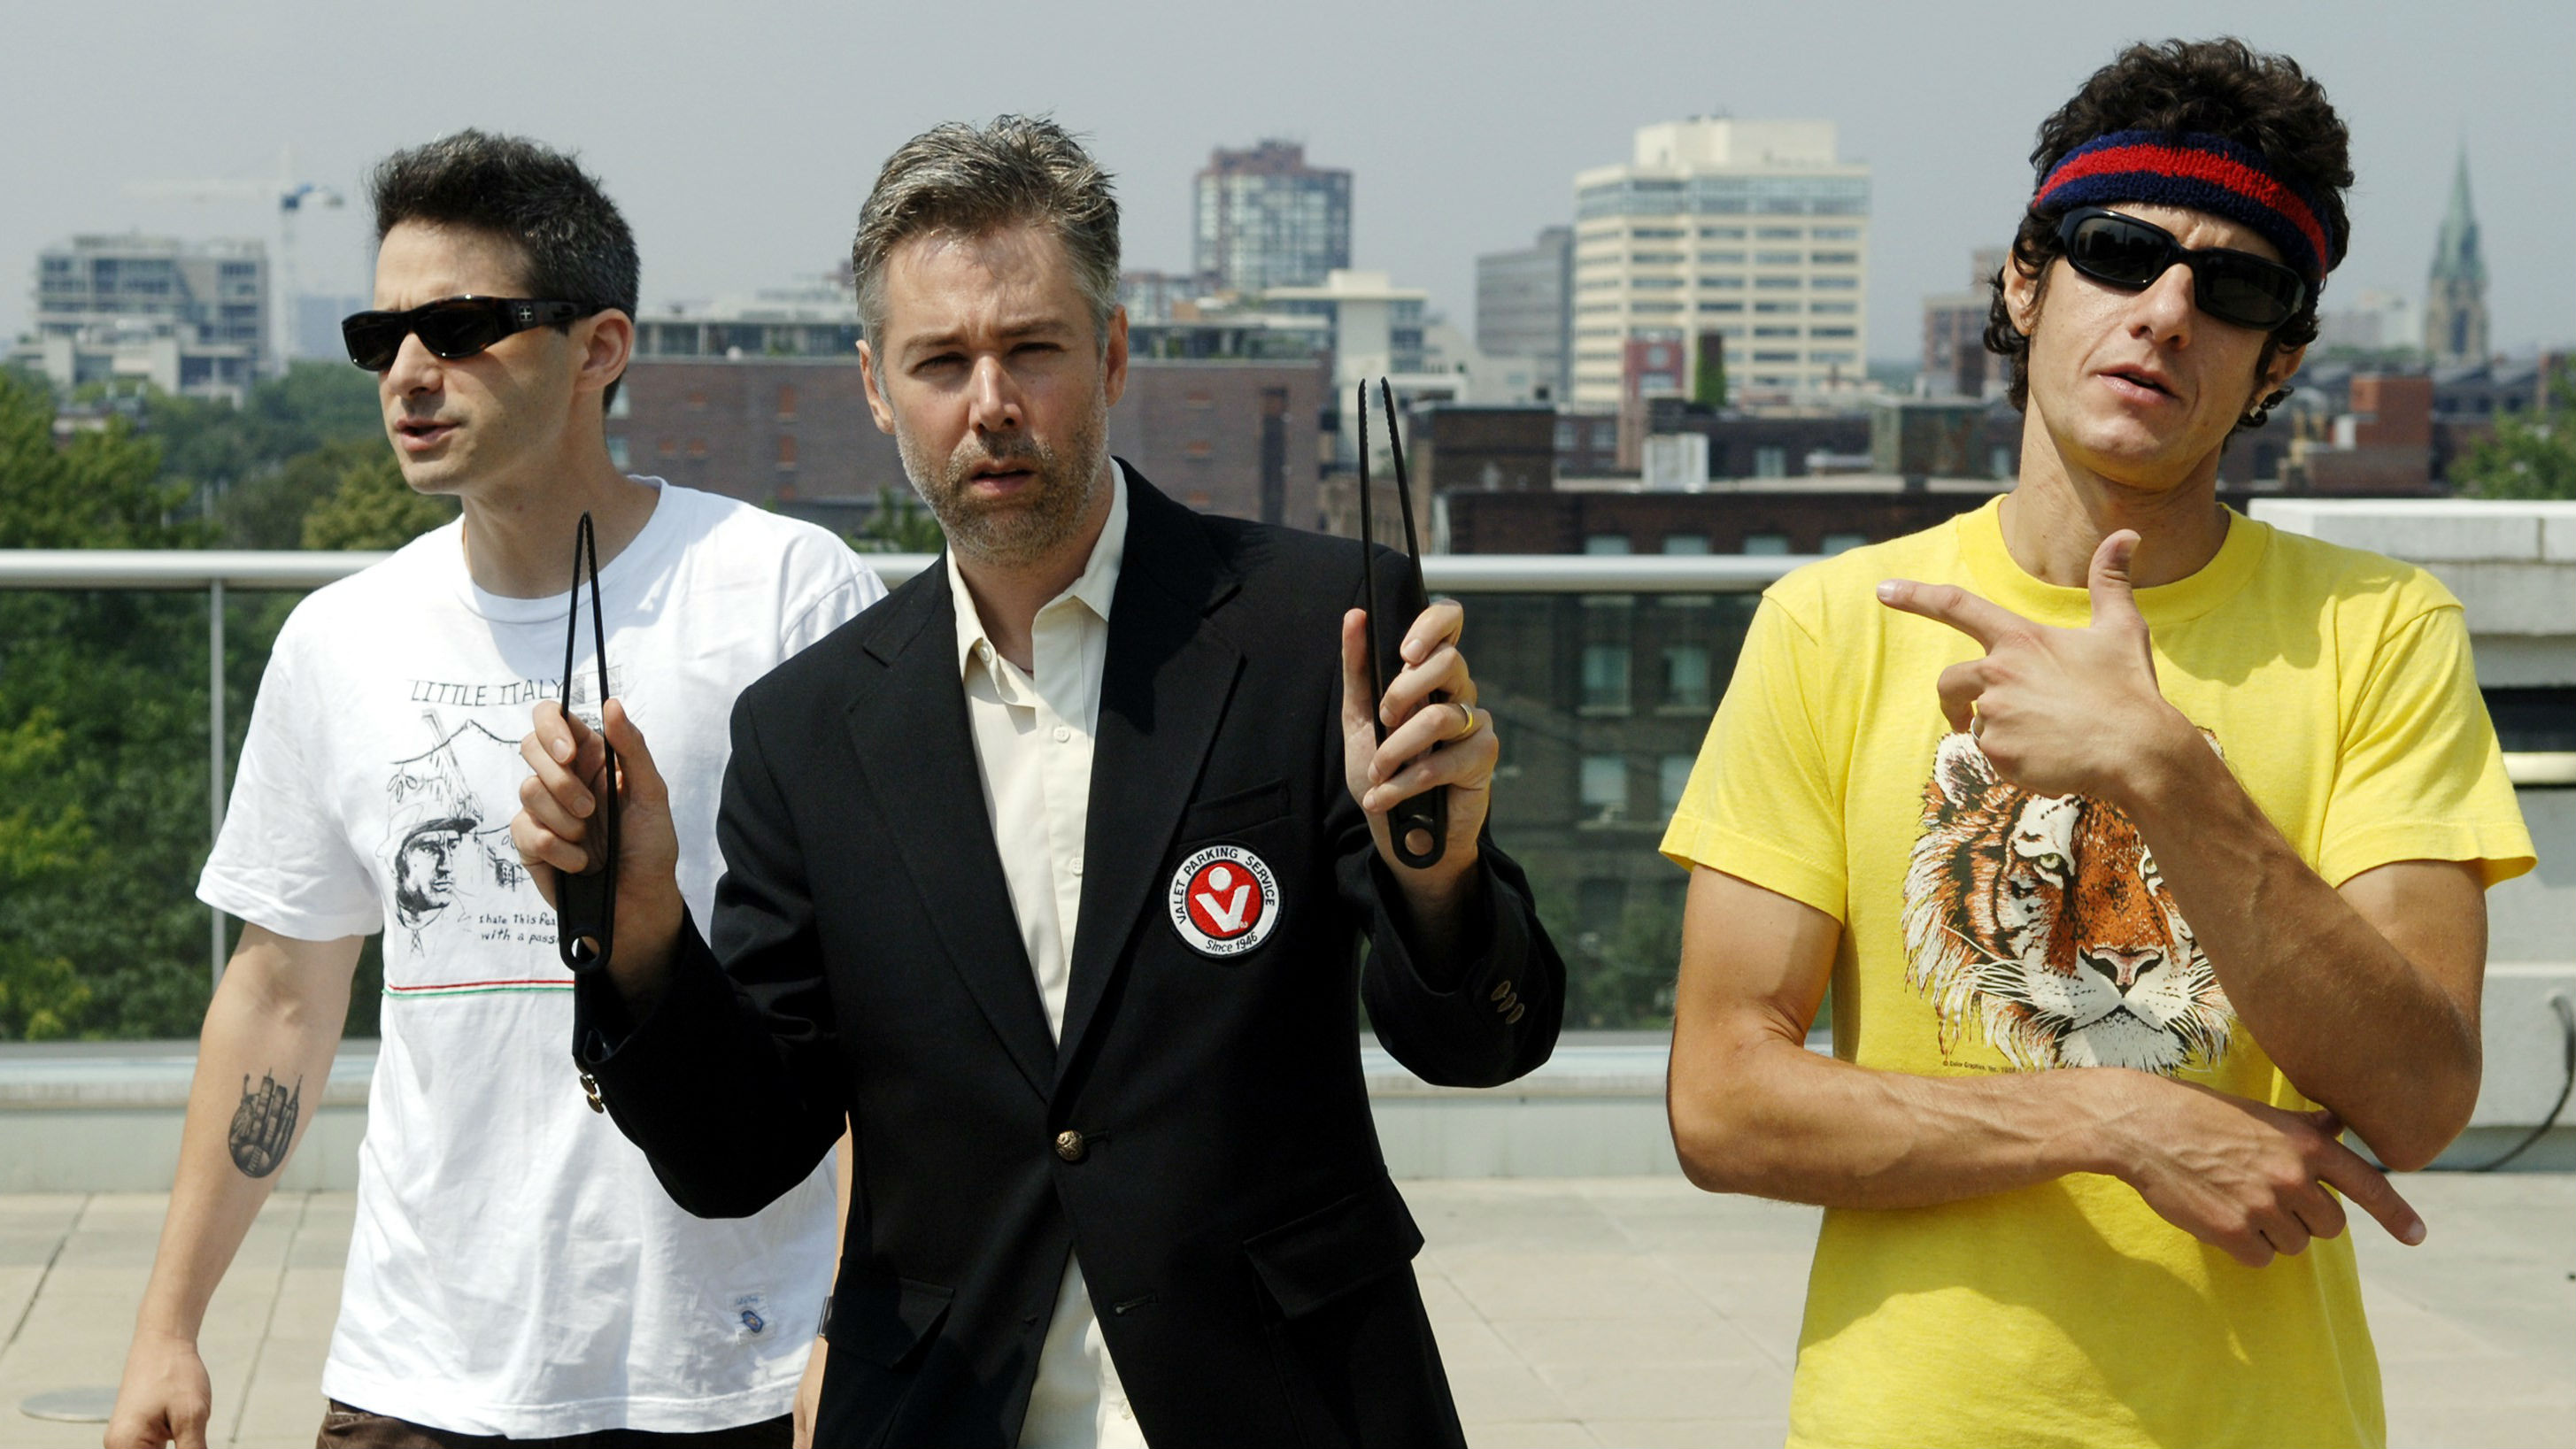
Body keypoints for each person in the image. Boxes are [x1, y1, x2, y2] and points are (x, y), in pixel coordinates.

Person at [509, 115, 1564, 1448]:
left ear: (1112, 353)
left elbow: (1483, 1038)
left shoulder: (1317, 635)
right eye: (940, 361)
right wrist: (642, 928)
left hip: (1288, 1394)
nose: (990, 400)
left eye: (1033, 348)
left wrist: (1439, 876)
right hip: (945, 1405)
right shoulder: (810, 727)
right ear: (878, 390)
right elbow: (738, 1156)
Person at [1661, 39, 2534, 1449]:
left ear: (2280, 360)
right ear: (2025, 278)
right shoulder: (1831, 622)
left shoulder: (2378, 632)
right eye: (2119, 251)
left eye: (2234, 286)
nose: (2166, 313)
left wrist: (2162, 768)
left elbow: (2418, 1095)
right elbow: (1720, 1102)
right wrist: (2114, 1120)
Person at [106, 131, 880, 1449]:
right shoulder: (341, 640)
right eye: (382, 333)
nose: (410, 371)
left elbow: (885, 1001)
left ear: (599, 348)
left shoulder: (785, 595)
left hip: (726, 1369)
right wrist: (168, 1326)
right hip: (423, 1371)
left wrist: (849, 1331)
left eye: (460, 326)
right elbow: (282, 994)